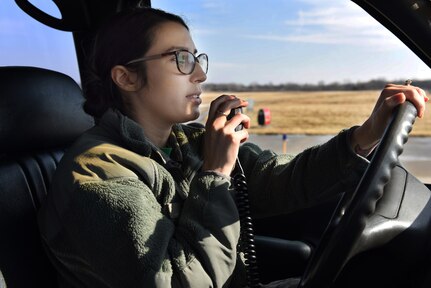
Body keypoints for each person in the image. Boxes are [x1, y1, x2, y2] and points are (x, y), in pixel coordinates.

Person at [37, 5, 429, 288]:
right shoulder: (97, 176)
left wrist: (364, 136)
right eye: (182, 59)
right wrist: (215, 173)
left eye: (197, 57)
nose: (201, 73)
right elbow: (177, 283)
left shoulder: (184, 142)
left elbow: (279, 180)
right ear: (126, 77)